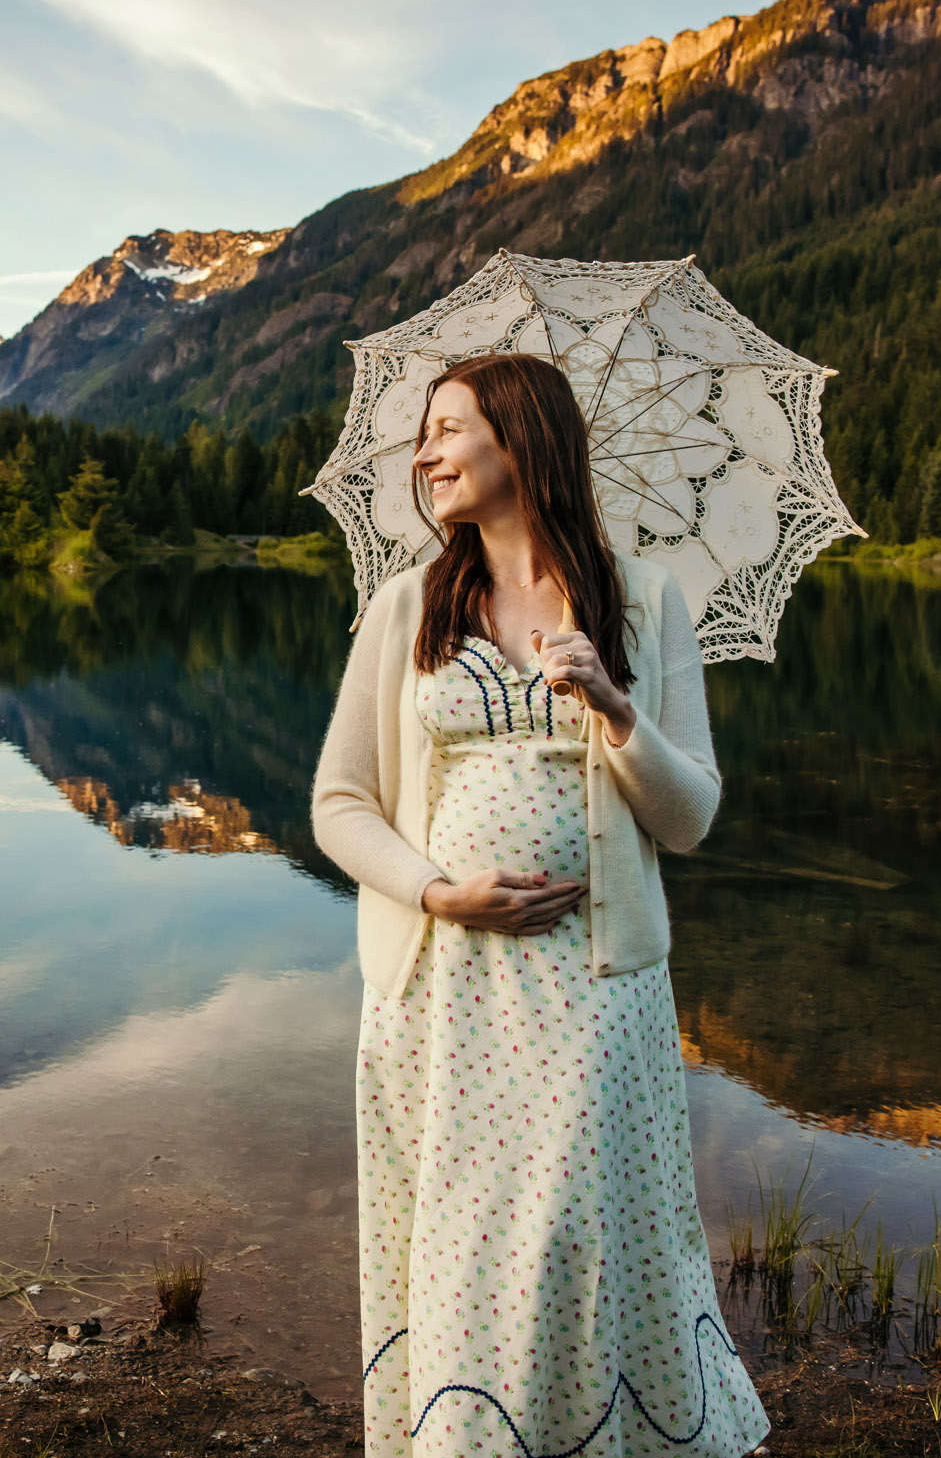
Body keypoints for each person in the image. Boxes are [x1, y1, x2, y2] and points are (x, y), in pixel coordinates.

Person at [311, 353, 769, 1457]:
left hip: (598, 988)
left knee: (573, 1237)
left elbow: (691, 816)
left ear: (523, 441)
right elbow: (338, 803)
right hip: (443, 986)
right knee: (468, 1244)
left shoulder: (644, 599)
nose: (425, 452)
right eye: (424, 432)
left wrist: (615, 709)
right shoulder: (406, 605)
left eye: (449, 427)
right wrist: (438, 890)